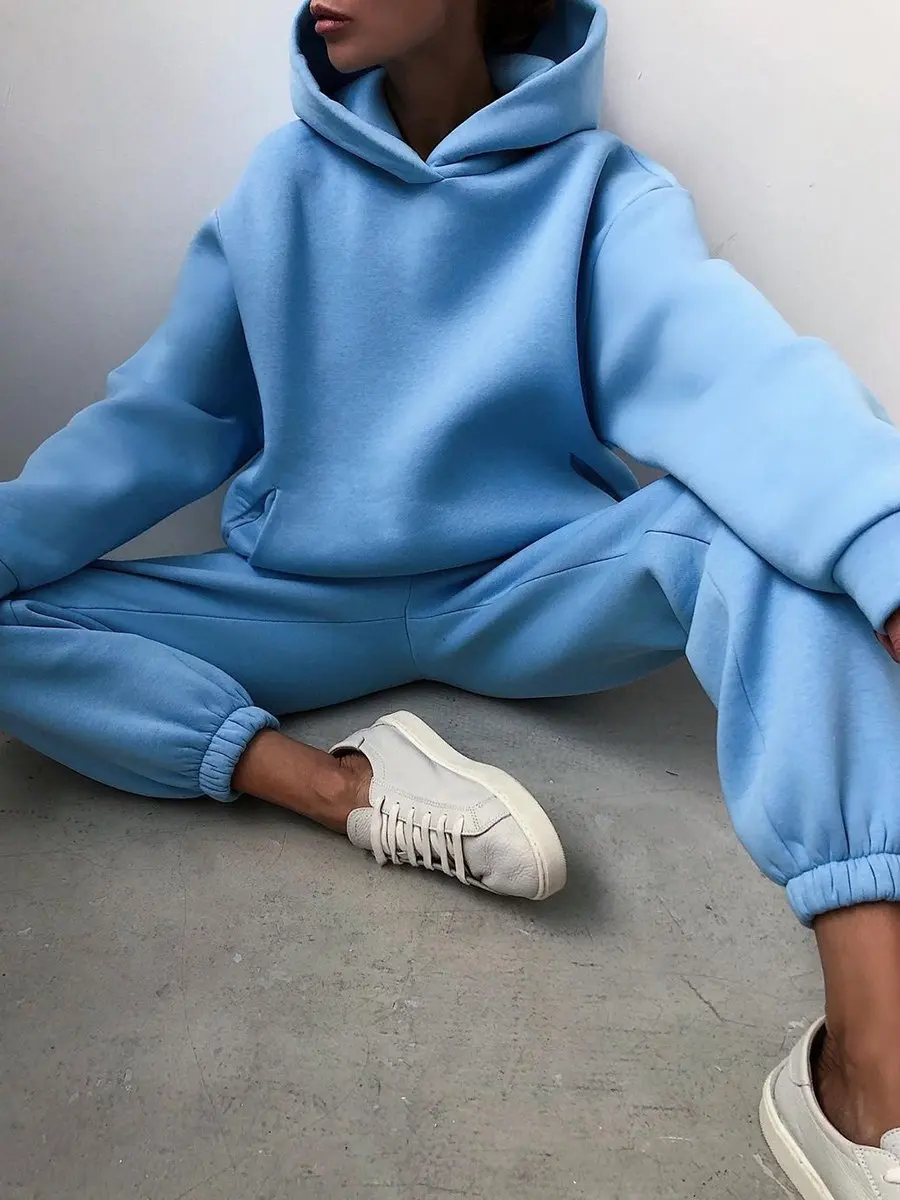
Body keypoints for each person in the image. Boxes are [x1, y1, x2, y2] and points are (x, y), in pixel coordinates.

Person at [3, 0, 900, 1192]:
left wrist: (886, 554)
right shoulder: (279, 187)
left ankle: (870, 1069)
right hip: (299, 604)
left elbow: (736, 381)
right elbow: (163, 421)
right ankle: (338, 786)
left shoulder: (598, 191)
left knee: (771, 537)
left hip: (531, 594)